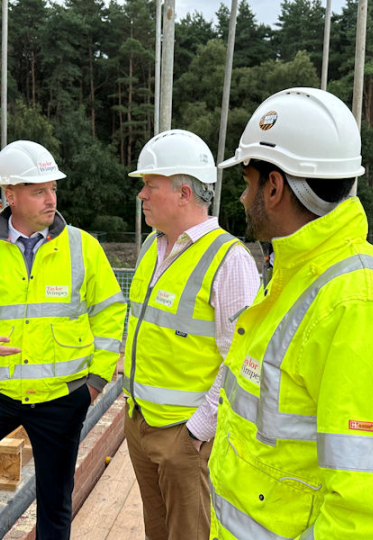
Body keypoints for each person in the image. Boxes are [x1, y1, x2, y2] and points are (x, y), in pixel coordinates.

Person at [208, 88, 373, 539]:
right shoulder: (300, 280)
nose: (242, 198)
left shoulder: (365, 308)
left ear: (274, 187)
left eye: (247, 182)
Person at [0, 140, 126, 540]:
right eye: (39, 191)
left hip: (60, 396)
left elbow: (110, 313)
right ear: (10, 195)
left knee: (55, 504)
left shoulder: (81, 247)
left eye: (53, 188)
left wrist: (94, 384)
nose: (50, 198)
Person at [123, 129, 260, 540]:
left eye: (151, 186)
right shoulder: (153, 245)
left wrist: (198, 430)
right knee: (158, 532)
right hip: (140, 422)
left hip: (185, 437)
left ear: (185, 193)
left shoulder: (229, 259)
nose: (142, 195)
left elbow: (242, 358)